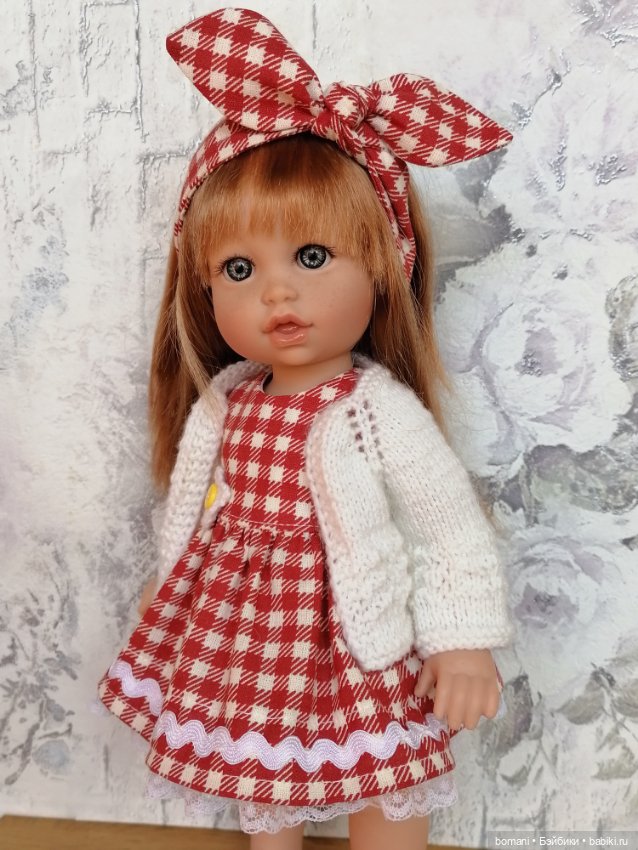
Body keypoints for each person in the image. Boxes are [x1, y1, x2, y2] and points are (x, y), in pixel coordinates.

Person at [95, 8, 516, 849]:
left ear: (385, 268)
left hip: (354, 629)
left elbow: (447, 529)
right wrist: (170, 585)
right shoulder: (228, 400)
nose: (277, 294)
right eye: (239, 269)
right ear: (204, 288)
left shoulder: (373, 411)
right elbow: (195, 511)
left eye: (313, 257)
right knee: (260, 767)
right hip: (249, 630)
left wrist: (464, 641)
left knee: (386, 770)